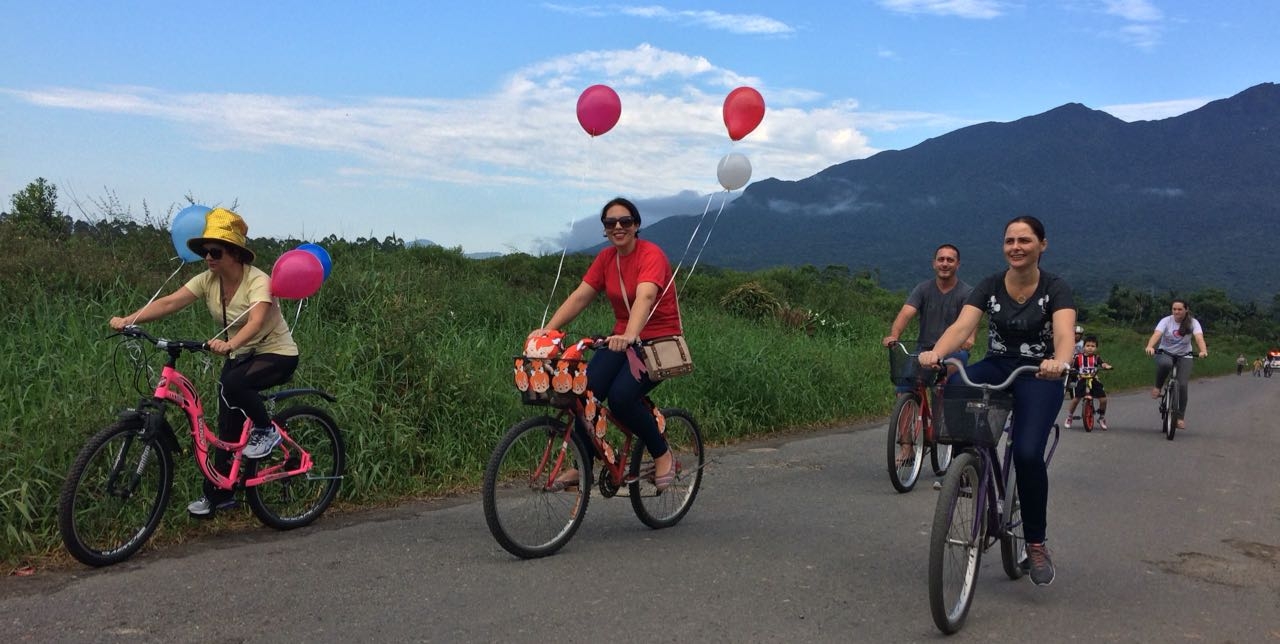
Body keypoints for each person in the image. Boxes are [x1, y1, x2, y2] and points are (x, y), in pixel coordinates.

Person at [109, 208, 299, 516]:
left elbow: (256, 320)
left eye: (215, 251)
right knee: (227, 425)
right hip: (239, 354)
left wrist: (230, 344)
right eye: (204, 251)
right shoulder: (207, 280)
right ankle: (219, 495)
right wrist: (130, 320)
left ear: (235, 253)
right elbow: (171, 301)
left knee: (233, 383)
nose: (208, 257)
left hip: (275, 353)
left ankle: (267, 431)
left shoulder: (258, 281)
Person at [919, 215, 1075, 586]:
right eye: (1010, 241)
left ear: (1042, 245)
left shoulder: (1055, 288)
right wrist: (937, 354)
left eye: (1024, 240)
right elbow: (961, 327)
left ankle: (1035, 542)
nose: (1016, 247)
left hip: (1040, 372)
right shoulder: (990, 285)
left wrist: (1060, 362)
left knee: (1025, 453)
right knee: (956, 387)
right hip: (998, 364)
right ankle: (968, 467)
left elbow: (1065, 333)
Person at [529, 197, 682, 491]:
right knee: (583, 392)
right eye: (610, 223)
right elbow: (580, 296)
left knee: (622, 398)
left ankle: (662, 453)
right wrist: (546, 332)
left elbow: (645, 297)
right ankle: (583, 463)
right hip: (619, 340)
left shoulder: (652, 255)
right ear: (605, 229)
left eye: (625, 221)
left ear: (636, 225)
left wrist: (630, 335)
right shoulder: (605, 259)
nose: (618, 227)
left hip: (656, 340)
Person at [882, 244, 974, 464]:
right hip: (923, 350)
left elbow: (970, 328)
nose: (944, 263)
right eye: (941, 259)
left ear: (958, 264)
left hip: (953, 351)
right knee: (904, 388)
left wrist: (968, 341)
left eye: (950, 260)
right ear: (934, 263)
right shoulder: (923, 289)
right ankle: (907, 448)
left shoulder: (966, 292)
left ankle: (944, 429)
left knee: (945, 387)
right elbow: (906, 313)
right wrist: (894, 335)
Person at [1144, 299, 1208, 431]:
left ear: (1186, 310)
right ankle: (1158, 386)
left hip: (1185, 355)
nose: (1176, 312)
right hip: (1165, 352)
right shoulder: (1166, 321)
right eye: (1174, 309)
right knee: (1166, 364)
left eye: (1179, 309)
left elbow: (1199, 337)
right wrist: (1150, 346)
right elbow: (1157, 334)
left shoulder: (1193, 323)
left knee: (1183, 384)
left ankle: (1180, 417)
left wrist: (1203, 351)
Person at [1063, 335, 1113, 430]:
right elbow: (1074, 367)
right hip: (1082, 379)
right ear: (1084, 347)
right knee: (1076, 399)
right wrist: (1071, 370)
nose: (1090, 348)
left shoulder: (1096, 358)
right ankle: (1069, 417)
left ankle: (1101, 417)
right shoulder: (1079, 357)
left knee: (1103, 399)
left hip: (1093, 380)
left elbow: (1102, 363)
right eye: (1088, 345)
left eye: (1093, 346)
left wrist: (1106, 366)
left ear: (1096, 348)